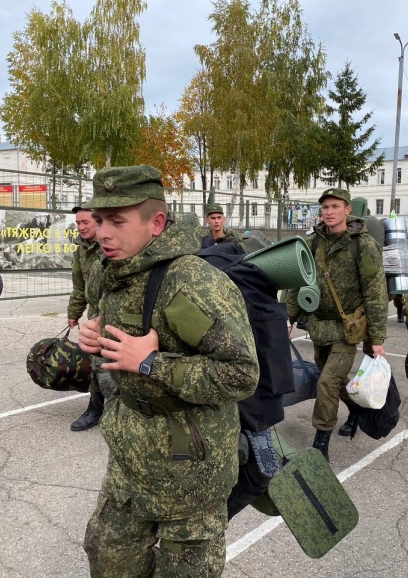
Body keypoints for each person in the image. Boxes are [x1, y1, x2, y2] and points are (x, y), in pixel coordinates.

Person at [77, 165, 259, 576]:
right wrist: (94, 338)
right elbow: (108, 344)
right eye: (100, 220)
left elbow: (241, 374)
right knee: (108, 560)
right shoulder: (106, 273)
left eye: (118, 221)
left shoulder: (190, 283)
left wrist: (151, 363)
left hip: (190, 469)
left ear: (156, 223)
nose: (103, 232)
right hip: (129, 461)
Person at [286, 188, 388, 459]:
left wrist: (376, 338)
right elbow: (299, 282)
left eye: (334, 206)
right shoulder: (313, 243)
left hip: (347, 329)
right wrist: (290, 318)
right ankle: (355, 410)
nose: (329, 212)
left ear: (347, 210)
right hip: (319, 326)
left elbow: (375, 291)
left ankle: (321, 442)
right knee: (334, 381)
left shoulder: (363, 245)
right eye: (325, 207)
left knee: (326, 384)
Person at [67, 206, 104, 431]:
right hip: (94, 318)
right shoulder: (81, 250)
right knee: (95, 364)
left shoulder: (111, 245)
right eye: (78, 223)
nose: (81, 227)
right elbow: (79, 286)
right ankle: (95, 407)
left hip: (118, 315)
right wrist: (74, 313)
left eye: (85, 222)